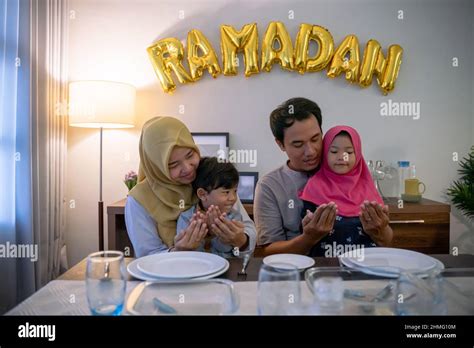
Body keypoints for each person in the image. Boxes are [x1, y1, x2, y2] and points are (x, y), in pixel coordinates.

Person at [254, 97, 391, 256]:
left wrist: (379, 231)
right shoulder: (270, 186)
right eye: (298, 144)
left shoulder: (350, 173)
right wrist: (309, 238)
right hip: (300, 273)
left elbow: (386, 242)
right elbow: (268, 251)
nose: (311, 151)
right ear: (280, 144)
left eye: (315, 139)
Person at [125, 116, 256, 257]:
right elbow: (146, 256)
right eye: (173, 165)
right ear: (157, 167)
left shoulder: (210, 176)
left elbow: (248, 228)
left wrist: (240, 240)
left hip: (223, 272)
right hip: (170, 277)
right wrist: (178, 252)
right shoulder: (139, 200)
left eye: (190, 155)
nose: (187, 168)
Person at [299, 125, 393, 257]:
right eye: (333, 151)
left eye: (349, 152)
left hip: (364, 267)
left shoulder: (369, 189)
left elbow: (387, 239)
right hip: (325, 267)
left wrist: (382, 228)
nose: (341, 157)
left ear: (358, 154)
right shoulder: (314, 186)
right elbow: (305, 232)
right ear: (325, 153)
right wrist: (309, 230)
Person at [176, 157, 256, 258]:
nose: (233, 198)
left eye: (235, 191)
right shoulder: (187, 217)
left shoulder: (234, 216)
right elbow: (189, 252)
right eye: (226, 192)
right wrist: (203, 234)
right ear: (202, 194)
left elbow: (227, 249)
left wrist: (215, 233)